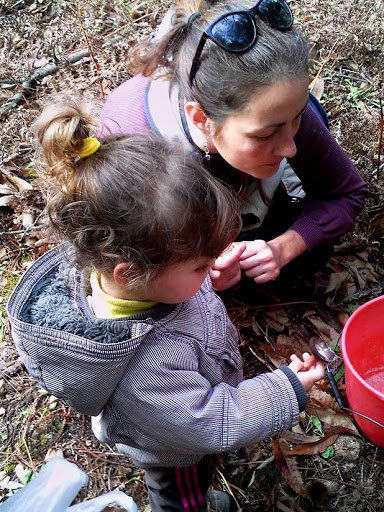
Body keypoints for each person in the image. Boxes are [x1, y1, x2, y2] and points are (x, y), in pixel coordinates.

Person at [7, 96, 325, 512]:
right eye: (198, 265)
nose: (211, 264)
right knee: (184, 497)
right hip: (176, 451)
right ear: (130, 273)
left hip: (188, 407)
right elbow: (208, 421)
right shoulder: (145, 371)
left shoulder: (147, 279)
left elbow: (182, 290)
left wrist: (205, 276)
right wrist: (283, 390)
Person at [100, 0, 367, 292]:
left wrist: (284, 247)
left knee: (312, 252)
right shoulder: (134, 142)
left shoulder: (279, 105)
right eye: (265, 136)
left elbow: (345, 192)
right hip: (171, 209)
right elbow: (118, 264)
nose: (290, 148)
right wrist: (199, 277)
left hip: (243, 209)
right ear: (201, 119)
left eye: (299, 116)